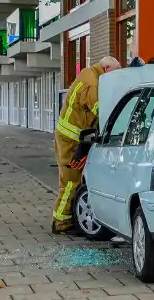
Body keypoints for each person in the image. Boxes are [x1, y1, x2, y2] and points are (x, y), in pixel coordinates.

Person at [52, 55, 123, 234]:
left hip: (70, 137)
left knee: (71, 180)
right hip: (71, 140)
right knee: (71, 181)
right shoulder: (92, 84)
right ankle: (61, 223)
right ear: (106, 69)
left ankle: (66, 218)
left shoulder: (89, 75)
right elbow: (102, 111)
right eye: (115, 74)